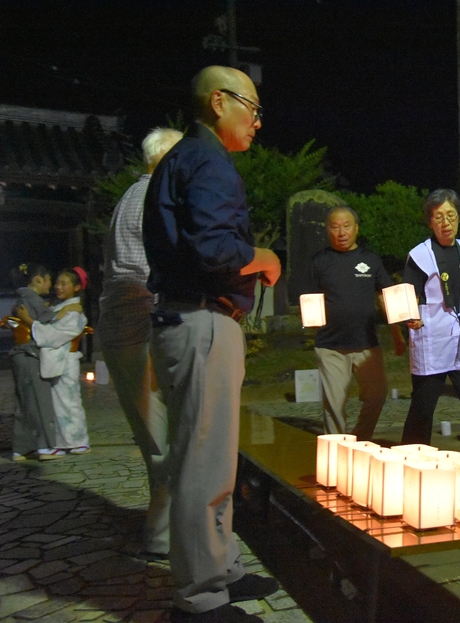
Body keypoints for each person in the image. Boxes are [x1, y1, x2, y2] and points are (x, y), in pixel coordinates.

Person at [143, 66, 281, 623]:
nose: (257, 123)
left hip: (188, 320)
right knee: (204, 462)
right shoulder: (206, 161)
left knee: (212, 458)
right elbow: (216, 253)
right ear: (219, 102)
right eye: (252, 109)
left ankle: (219, 567)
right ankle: (200, 598)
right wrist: (266, 259)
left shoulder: (182, 161)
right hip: (201, 322)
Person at [97, 127, 182, 561]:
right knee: (165, 437)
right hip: (141, 325)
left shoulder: (131, 195)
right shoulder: (155, 198)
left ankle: (168, 528)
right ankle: (164, 535)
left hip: (122, 324)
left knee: (157, 434)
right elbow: (161, 267)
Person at [400, 189, 460, 460]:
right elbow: (406, 296)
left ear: (459, 218)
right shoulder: (419, 255)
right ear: (430, 221)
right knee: (422, 410)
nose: (446, 223)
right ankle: (409, 468)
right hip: (432, 339)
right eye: (439, 217)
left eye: (451, 216)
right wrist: (410, 317)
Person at [308, 205, 406, 440]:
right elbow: (310, 298)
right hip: (330, 346)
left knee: (377, 396)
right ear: (327, 230)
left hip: (366, 344)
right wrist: (311, 322)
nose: (341, 232)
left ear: (356, 228)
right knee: (334, 406)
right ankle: (336, 456)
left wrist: (397, 335)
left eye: (346, 225)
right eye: (335, 226)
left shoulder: (370, 259)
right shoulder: (319, 261)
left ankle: (360, 441)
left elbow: (386, 296)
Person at [19, 267, 91, 457]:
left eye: (63, 284)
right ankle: (60, 441)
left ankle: (78, 440)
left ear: (76, 287)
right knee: (56, 403)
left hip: (65, 362)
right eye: (57, 283)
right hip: (56, 361)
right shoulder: (62, 308)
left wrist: (29, 321)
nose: (58, 287)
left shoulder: (75, 315)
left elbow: (52, 336)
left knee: (68, 402)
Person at [5, 263, 59, 461]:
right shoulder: (32, 299)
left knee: (23, 402)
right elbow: (50, 322)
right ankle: (45, 446)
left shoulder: (20, 298)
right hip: (30, 354)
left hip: (19, 355)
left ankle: (22, 447)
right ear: (38, 279)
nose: (51, 285)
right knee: (40, 400)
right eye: (49, 281)